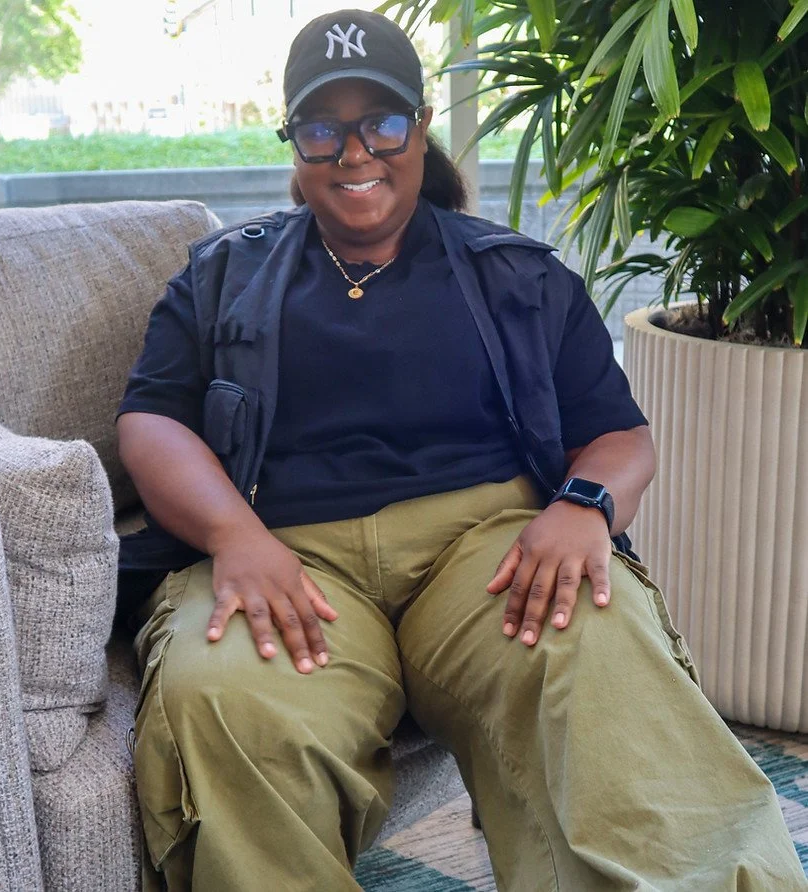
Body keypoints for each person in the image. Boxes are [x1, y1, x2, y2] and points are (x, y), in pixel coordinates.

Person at [116, 10, 806, 891]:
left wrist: (582, 505)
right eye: (325, 128)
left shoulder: (517, 274)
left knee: (592, 648)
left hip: (488, 550)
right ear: (295, 142)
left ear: (420, 127)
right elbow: (153, 420)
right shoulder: (219, 277)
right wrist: (232, 537)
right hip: (289, 558)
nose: (355, 152)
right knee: (221, 694)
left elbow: (620, 432)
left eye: (382, 123)